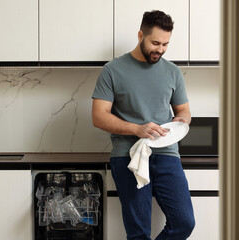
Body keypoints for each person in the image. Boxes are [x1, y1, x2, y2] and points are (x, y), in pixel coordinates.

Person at [92, 10, 195, 240]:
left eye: (166, 44)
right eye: (155, 43)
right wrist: (137, 129)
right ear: (140, 35)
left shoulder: (173, 72)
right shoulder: (113, 70)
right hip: (128, 156)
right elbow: (99, 116)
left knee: (184, 222)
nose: (160, 49)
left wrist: (183, 120)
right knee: (138, 234)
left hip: (167, 154)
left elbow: (184, 111)